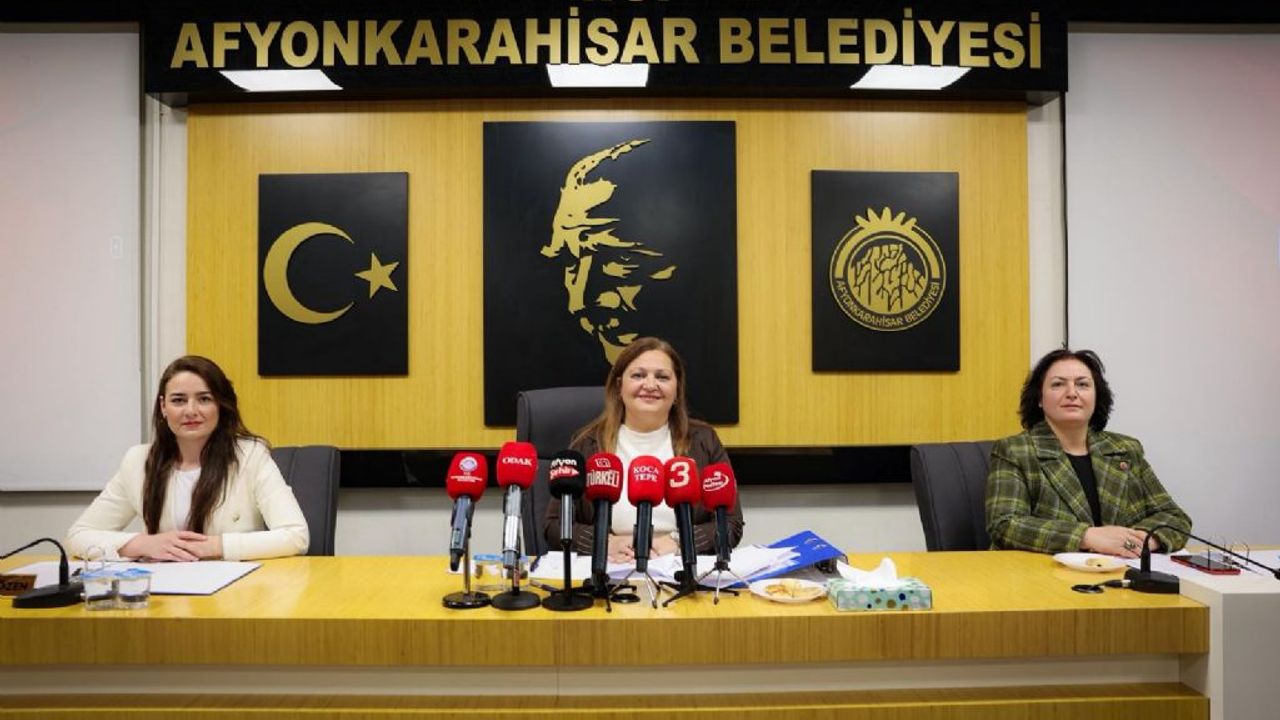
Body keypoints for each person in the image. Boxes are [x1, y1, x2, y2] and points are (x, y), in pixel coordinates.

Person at [66, 355, 309, 561]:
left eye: (204, 399)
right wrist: (142, 544)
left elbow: (296, 536)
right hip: (163, 591)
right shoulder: (138, 461)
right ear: (163, 407)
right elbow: (78, 535)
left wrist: (215, 546)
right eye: (179, 400)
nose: (191, 411)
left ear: (220, 405)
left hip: (234, 591)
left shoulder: (250, 456)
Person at [544, 337, 743, 561]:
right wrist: (603, 543)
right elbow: (554, 525)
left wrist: (680, 542)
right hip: (613, 568)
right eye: (638, 375)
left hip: (680, 567)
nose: (650, 385)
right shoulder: (587, 443)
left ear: (677, 389)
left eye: (662, 377)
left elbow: (731, 524)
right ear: (619, 387)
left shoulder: (703, 441)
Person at [986, 348, 1191, 557]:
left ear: (1096, 396)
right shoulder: (1015, 451)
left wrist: (1142, 540)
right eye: (1058, 384)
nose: (1072, 393)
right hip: (1044, 572)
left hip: (1120, 569)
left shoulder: (1125, 450)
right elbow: (1005, 524)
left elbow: (1174, 517)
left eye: (1082, 384)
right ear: (1039, 398)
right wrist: (1086, 536)